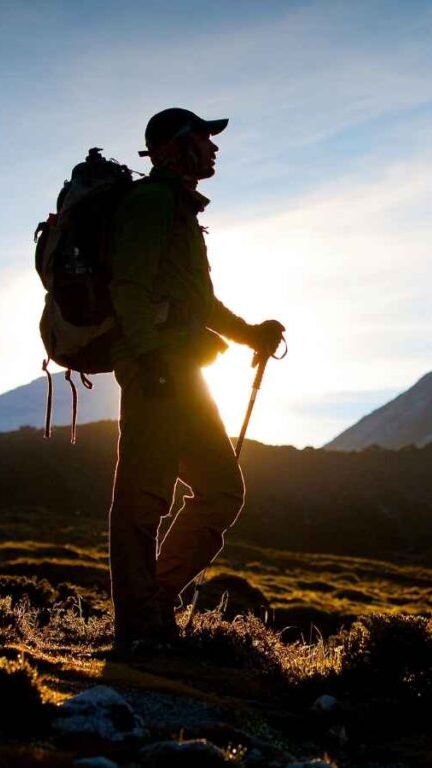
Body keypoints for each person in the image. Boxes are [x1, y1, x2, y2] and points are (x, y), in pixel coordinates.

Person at [106, 108, 285, 656]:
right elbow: (128, 286)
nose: (212, 148)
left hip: (181, 371)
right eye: (201, 138)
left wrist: (250, 333)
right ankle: (141, 625)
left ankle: (152, 606)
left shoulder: (179, 211)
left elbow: (199, 302)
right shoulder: (152, 204)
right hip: (159, 371)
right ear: (170, 148)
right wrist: (150, 358)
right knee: (144, 497)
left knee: (220, 491)